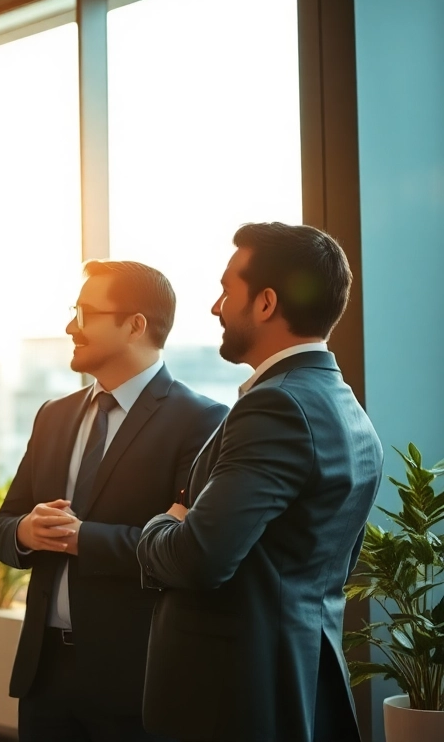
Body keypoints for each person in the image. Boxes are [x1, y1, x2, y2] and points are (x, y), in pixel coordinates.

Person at [137, 223, 383, 742]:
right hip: (296, 679)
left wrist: (160, 524)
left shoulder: (277, 406)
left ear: (266, 303)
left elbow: (198, 558)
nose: (215, 306)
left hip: (233, 698)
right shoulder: (345, 406)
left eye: (228, 290)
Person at [0, 260, 228, 742]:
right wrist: (24, 531)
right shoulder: (53, 416)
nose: (69, 326)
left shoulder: (202, 421)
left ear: (135, 324)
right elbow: (2, 526)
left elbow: (184, 551)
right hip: (45, 676)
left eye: (85, 312)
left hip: (138, 678)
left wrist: (81, 539)